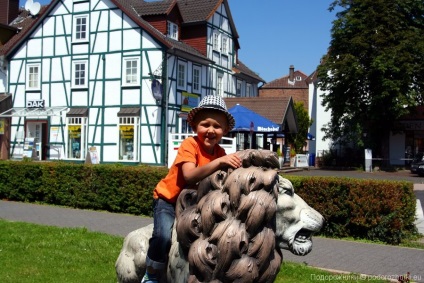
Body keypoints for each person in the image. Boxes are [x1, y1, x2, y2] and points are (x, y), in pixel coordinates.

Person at [141, 95, 242, 283]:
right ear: (194, 126)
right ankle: (152, 273)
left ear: (225, 130)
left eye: (217, 126)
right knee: (163, 236)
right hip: (169, 200)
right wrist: (220, 162)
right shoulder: (190, 145)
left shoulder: (220, 153)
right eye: (205, 124)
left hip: (194, 205)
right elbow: (189, 175)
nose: (211, 130)